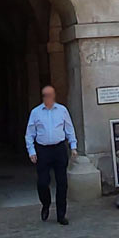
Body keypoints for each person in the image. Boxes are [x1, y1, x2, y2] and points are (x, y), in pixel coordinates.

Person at [25, 84, 78, 223]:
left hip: (59, 149)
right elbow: (29, 134)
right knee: (42, 182)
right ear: (42, 97)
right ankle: (46, 203)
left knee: (62, 182)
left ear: (54, 96)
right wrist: (31, 151)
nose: (48, 97)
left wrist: (73, 146)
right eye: (46, 95)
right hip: (43, 150)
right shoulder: (36, 112)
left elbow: (69, 128)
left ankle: (61, 214)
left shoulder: (62, 110)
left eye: (51, 95)